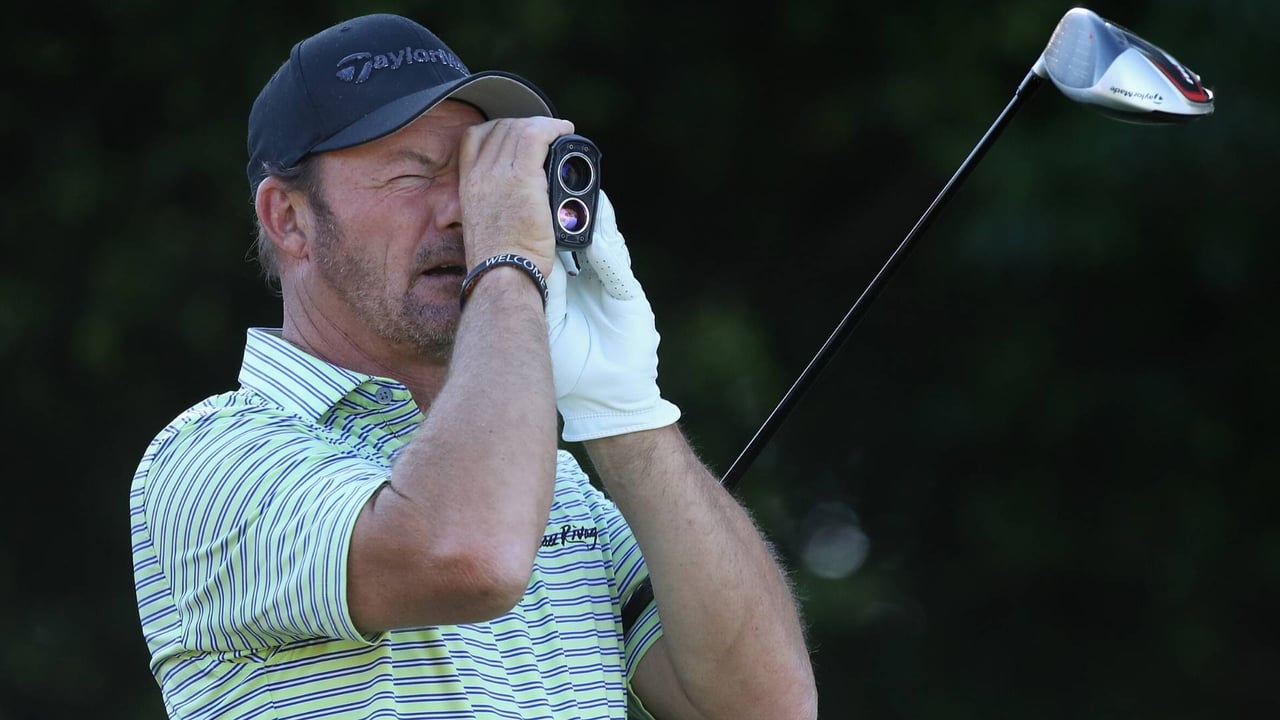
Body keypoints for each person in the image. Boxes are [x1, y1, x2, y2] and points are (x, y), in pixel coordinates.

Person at [129, 13, 816, 720]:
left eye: (476, 176)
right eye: (412, 174)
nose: (465, 212)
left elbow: (766, 707)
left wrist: (626, 415)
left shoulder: (553, 485)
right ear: (289, 219)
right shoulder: (212, 456)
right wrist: (509, 264)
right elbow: (472, 555)